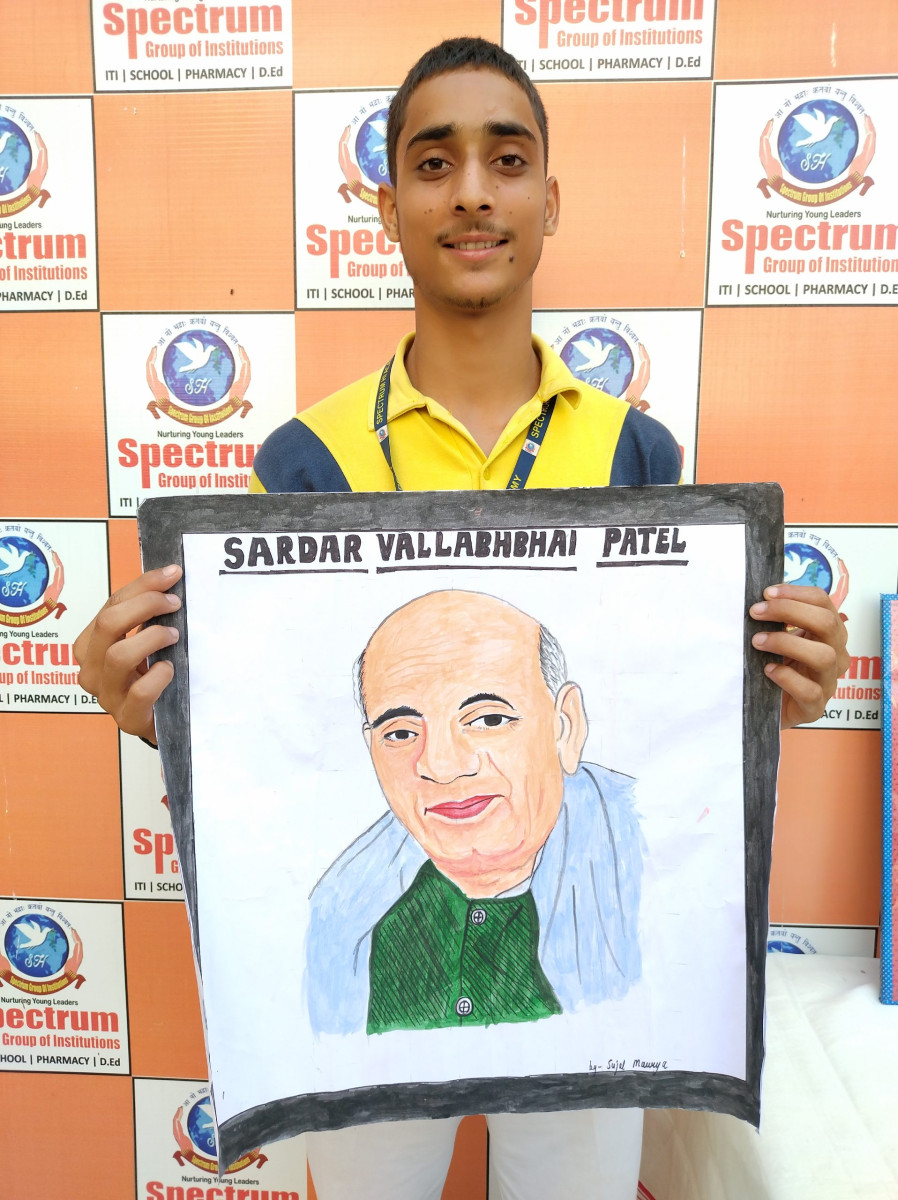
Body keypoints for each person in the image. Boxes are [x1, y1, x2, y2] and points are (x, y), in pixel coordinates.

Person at [74, 36, 850, 1200]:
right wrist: (152, 712)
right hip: (386, 965)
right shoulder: (304, 459)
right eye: (434, 163)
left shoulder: (636, 452)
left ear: (550, 200)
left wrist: (767, 694)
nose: (473, 190)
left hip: (593, 953)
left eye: (508, 159)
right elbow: (281, 735)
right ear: (388, 208)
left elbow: (658, 718)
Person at [307, 589, 642, 1037]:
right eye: (401, 733)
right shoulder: (343, 914)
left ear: (565, 727)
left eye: (489, 720)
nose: (441, 767)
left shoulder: (653, 863)